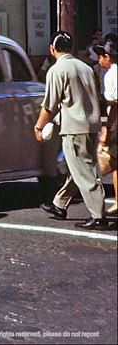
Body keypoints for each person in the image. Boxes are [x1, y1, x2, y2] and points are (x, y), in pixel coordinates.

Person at [34, 31, 107, 229]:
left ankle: (98, 214)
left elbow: (49, 104)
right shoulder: (86, 67)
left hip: (74, 127)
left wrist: (39, 126)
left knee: (83, 171)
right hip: (92, 124)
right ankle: (60, 204)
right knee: (79, 168)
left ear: (52, 49)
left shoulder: (57, 70)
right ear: (71, 48)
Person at [95, 44, 117, 215]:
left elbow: (114, 104)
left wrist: (107, 129)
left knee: (116, 163)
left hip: (116, 120)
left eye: (101, 56)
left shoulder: (111, 75)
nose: (99, 60)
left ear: (108, 57)